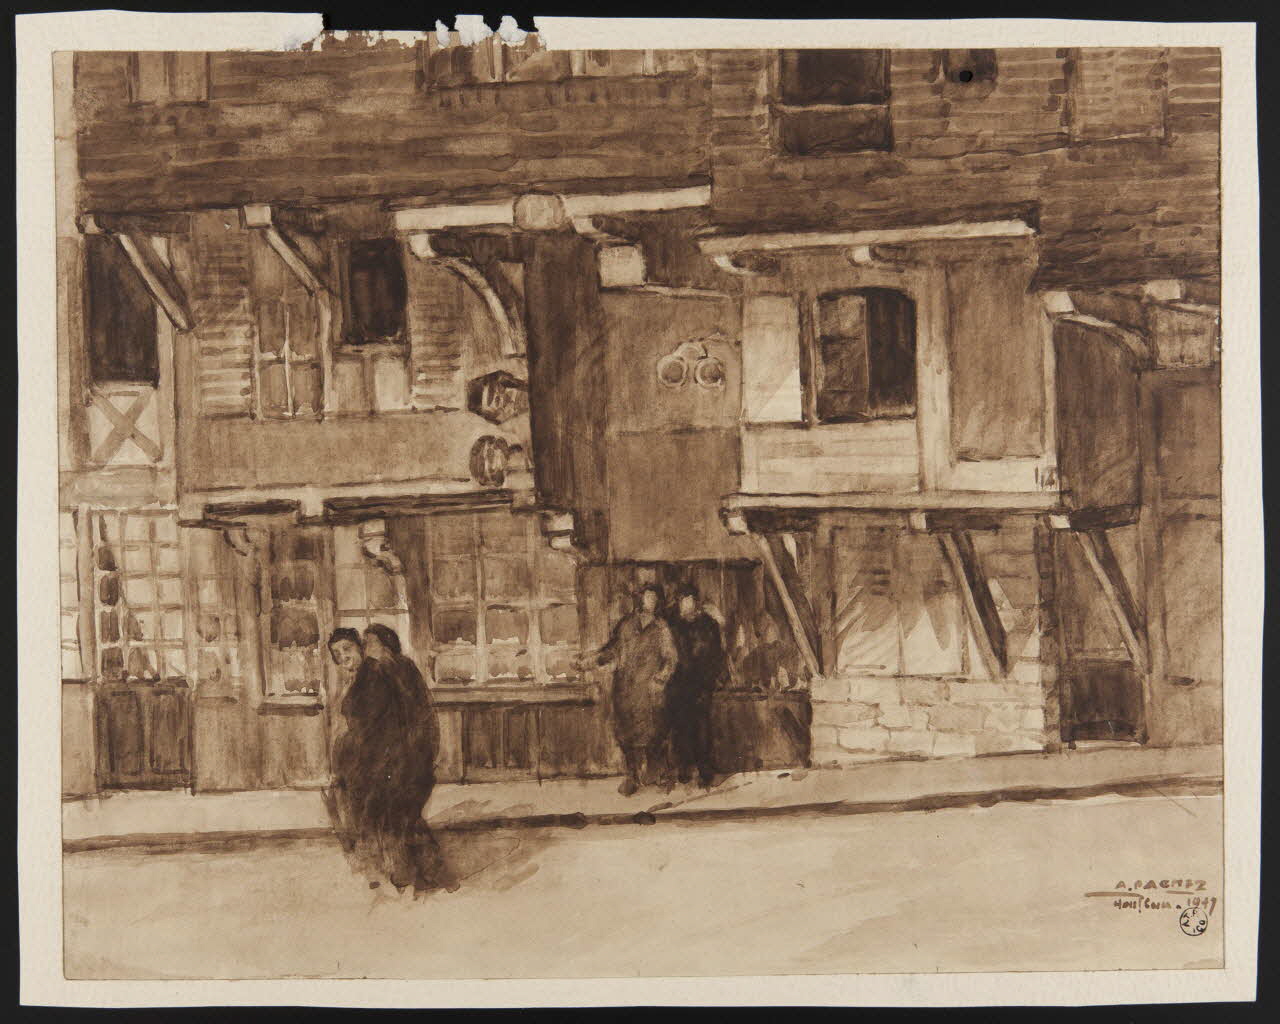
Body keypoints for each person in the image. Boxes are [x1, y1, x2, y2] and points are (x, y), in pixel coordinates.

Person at [329, 623, 455, 896]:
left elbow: (381, 722)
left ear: (386, 646)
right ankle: (416, 875)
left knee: (400, 818)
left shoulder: (385, 672)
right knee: (399, 819)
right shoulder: (379, 672)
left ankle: (420, 876)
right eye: (338, 654)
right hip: (394, 760)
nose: (364, 650)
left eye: (367, 645)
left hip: (402, 759)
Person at [589, 584, 678, 796]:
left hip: (650, 691)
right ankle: (632, 777)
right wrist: (594, 660)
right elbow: (612, 649)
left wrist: (660, 679)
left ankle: (659, 774)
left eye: (654, 599)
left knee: (654, 734)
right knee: (626, 735)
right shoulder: (626, 625)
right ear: (640, 599)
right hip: (625, 689)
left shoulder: (661, 628)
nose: (651, 602)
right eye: (648, 597)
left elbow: (671, 659)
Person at [666, 584, 729, 788]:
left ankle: (704, 770)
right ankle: (683, 768)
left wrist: (711, 679)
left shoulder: (708, 625)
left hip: (701, 684)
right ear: (678, 603)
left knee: (702, 729)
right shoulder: (673, 625)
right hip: (678, 685)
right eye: (683, 600)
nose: (686, 604)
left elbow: (717, 655)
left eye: (690, 600)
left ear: (695, 601)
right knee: (680, 727)